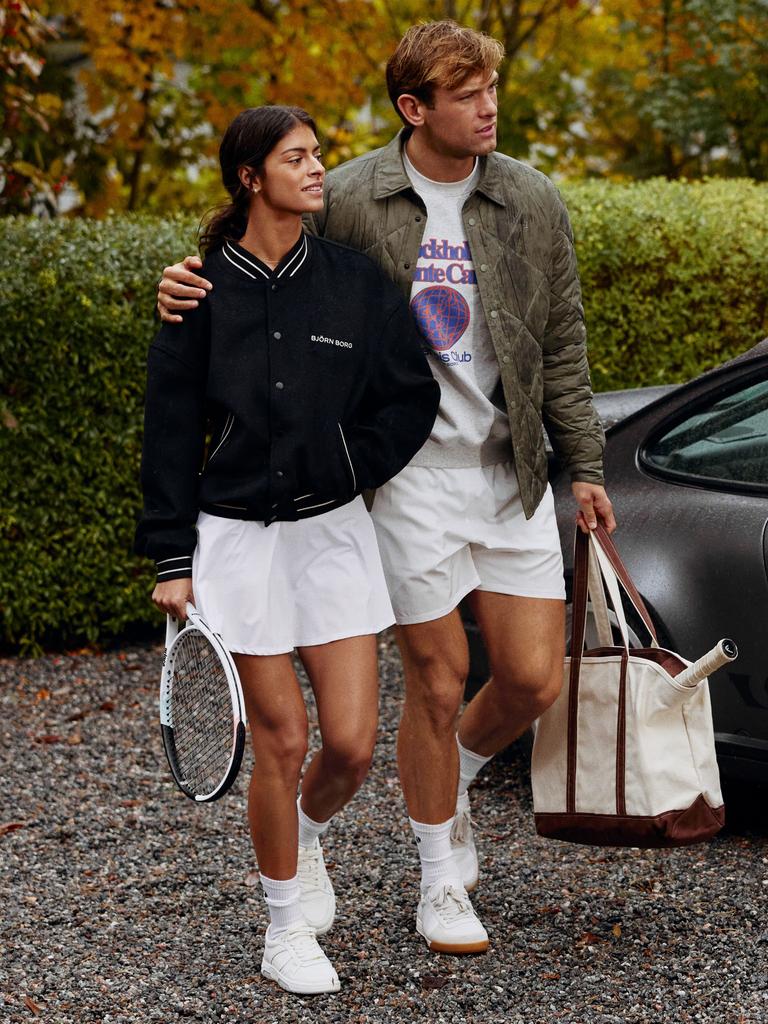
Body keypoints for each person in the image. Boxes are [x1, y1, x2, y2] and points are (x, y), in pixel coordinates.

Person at [156, 22, 616, 955]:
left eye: (494, 87)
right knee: (439, 682)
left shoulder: (531, 198)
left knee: (530, 679)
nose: (490, 106)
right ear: (416, 108)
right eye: (469, 91)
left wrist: (587, 466)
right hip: (405, 484)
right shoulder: (355, 192)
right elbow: (265, 258)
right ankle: (439, 877)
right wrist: (182, 281)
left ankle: (447, 785)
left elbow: (561, 344)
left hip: (510, 471)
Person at [136, 105, 439, 994]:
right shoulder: (196, 291)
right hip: (233, 543)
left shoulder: (355, 282)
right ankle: (282, 931)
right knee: (282, 739)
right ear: (249, 177)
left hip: (333, 536)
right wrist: (169, 556)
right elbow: (170, 431)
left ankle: (302, 835)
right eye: (296, 158)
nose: (316, 170)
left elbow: (409, 399)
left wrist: (352, 458)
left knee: (348, 746)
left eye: (317, 156)